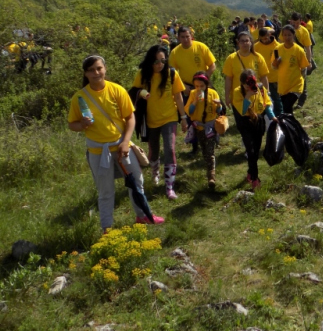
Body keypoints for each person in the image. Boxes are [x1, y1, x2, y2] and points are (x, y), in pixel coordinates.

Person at [68, 55, 163, 232]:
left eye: (99, 68)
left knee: (136, 182)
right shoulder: (80, 97)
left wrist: (126, 142)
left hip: (122, 147)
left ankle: (142, 216)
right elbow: (71, 124)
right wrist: (82, 125)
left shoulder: (116, 90)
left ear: (105, 69)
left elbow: (129, 117)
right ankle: (107, 229)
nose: (96, 73)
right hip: (98, 152)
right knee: (106, 192)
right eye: (91, 70)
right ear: (86, 74)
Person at [132, 45, 187, 200]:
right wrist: (141, 93)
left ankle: (169, 186)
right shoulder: (143, 75)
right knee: (153, 150)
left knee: (170, 149)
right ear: (150, 61)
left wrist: (183, 118)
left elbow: (178, 97)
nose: (160, 64)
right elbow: (132, 92)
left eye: (163, 60)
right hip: (150, 119)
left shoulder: (171, 74)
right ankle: (155, 173)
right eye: (156, 61)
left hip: (170, 118)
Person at [169, 26, 217, 154]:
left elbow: (212, 65)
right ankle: (194, 144)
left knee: (210, 110)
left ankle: (213, 138)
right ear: (178, 38)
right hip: (187, 88)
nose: (185, 39)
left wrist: (203, 81)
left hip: (203, 85)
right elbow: (172, 73)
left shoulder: (200, 47)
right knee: (192, 116)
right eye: (182, 37)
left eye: (187, 36)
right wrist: (183, 88)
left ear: (191, 36)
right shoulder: (175, 53)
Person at [232, 69, 276, 190]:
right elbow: (242, 111)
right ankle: (255, 179)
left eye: (252, 83)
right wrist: (247, 96)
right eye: (247, 84)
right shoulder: (237, 92)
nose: (250, 86)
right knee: (250, 151)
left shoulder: (261, 89)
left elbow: (266, 104)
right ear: (241, 83)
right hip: (245, 123)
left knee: (256, 152)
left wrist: (272, 117)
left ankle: (250, 172)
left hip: (258, 121)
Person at [184, 71, 223, 189]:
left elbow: (218, 111)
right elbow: (189, 112)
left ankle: (211, 176)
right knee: (204, 150)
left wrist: (219, 105)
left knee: (210, 152)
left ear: (206, 85)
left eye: (201, 86)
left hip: (210, 127)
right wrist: (195, 102)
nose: (199, 88)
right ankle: (209, 168)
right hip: (199, 127)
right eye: (196, 86)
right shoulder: (192, 94)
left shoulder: (213, 93)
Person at [223, 31, 269, 112]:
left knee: (256, 122)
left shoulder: (258, 57)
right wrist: (227, 96)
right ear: (238, 43)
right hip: (238, 97)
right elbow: (228, 79)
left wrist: (266, 94)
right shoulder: (231, 58)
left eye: (247, 40)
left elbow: (264, 77)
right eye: (242, 41)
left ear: (251, 42)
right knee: (242, 123)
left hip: (255, 96)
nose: (244, 43)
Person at [272, 25, 309, 115]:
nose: (287, 37)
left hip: (296, 84)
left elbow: (304, 68)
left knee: (287, 106)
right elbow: (273, 67)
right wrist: (276, 62)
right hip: (283, 85)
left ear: (293, 35)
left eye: (289, 35)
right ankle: (290, 127)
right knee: (286, 110)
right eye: (285, 35)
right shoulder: (278, 49)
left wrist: (301, 80)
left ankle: (291, 127)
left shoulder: (299, 50)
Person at [254, 27, 283, 116]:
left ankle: (279, 116)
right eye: (261, 39)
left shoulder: (277, 46)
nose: (264, 41)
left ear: (269, 35)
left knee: (277, 99)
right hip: (261, 78)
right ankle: (265, 116)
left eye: (265, 38)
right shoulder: (256, 47)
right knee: (261, 98)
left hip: (274, 77)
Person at [289, 13, 313, 108]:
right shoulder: (286, 30)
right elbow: (280, 44)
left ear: (300, 21)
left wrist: (309, 61)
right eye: (294, 22)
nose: (295, 24)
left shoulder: (304, 31)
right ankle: (290, 100)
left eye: (298, 22)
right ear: (290, 21)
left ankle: (301, 101)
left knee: (302, 79)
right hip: (289, 59)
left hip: (301, 58)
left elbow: (308, 47)